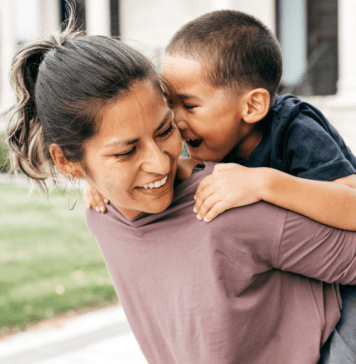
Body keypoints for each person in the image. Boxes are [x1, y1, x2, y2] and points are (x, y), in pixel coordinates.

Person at [5, 17, 356, 364]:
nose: (161, 163)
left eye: (164, 131)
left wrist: (265, 182)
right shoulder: (102, 216)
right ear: (69, 164)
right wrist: (96, 186)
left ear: (252, 106)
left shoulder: (258, 172)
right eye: (127, 151)